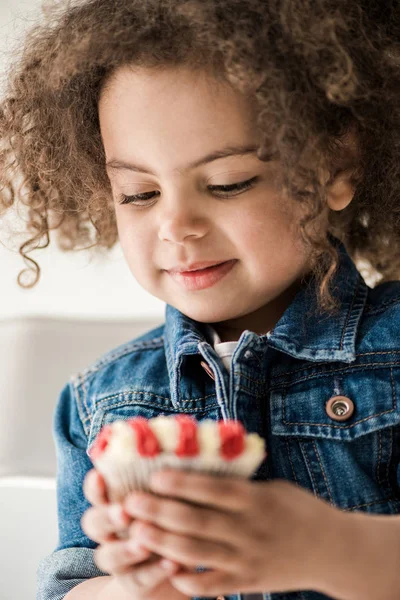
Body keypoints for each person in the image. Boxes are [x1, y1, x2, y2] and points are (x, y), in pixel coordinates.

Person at [1, 0, 399, 599]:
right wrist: (136, 585)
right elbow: (71, 586)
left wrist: (332, 549)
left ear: (333, 164)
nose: (176, 224)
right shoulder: (100, 405)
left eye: (227, 183)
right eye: (138, 193)